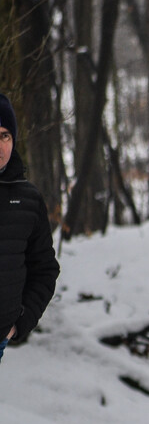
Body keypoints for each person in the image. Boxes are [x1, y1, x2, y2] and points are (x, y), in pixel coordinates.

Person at [0, 93, 59, 366]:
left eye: (5, 136)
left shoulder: (28, 199)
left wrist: (20, 322)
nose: (0, 145)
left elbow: (45, 269)